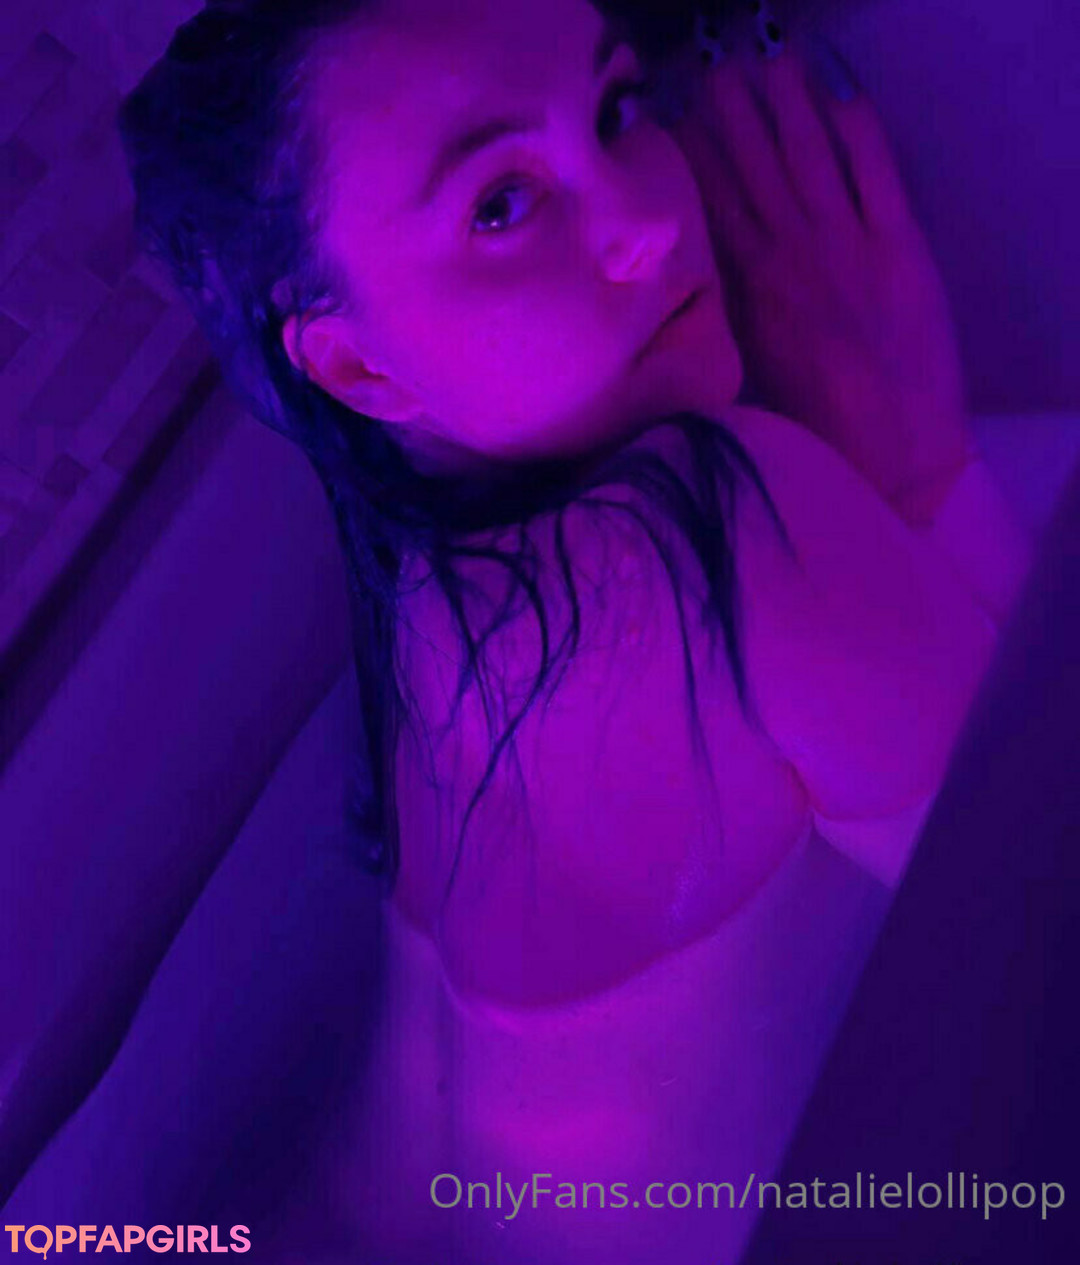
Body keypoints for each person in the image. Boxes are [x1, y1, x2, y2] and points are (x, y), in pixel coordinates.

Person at [115, 1, 1033, 1260]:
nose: (651, 215)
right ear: (358, 370)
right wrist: (921, 462)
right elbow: (1048, 924)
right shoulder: (719, 530)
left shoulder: (428, 592)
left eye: (614, 110)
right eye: (502, 203)